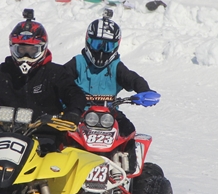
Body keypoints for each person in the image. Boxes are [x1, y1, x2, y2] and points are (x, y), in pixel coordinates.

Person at [0, 9, 87, 151]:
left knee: (55, 161)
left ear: (42, 49)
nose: (26, 56)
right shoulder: (2, 72)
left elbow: (74, 93)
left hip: (44, 136)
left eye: (32, 51)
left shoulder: (55, 73)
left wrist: (73, 112)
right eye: (21, 50)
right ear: (12, 48)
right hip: (4, 133)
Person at [63, 12, 153, 141]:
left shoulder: (116, 66)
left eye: (108, 46)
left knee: (129, 132)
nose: (101, 51)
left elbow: (132, 78)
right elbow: (59, 78)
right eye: (96, 44)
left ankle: (131, 155)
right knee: (60, 132)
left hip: (109, 114)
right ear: (88, 41)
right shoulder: (78, 62)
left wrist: (145, 90)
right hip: (78, 110)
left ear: (116, 45)